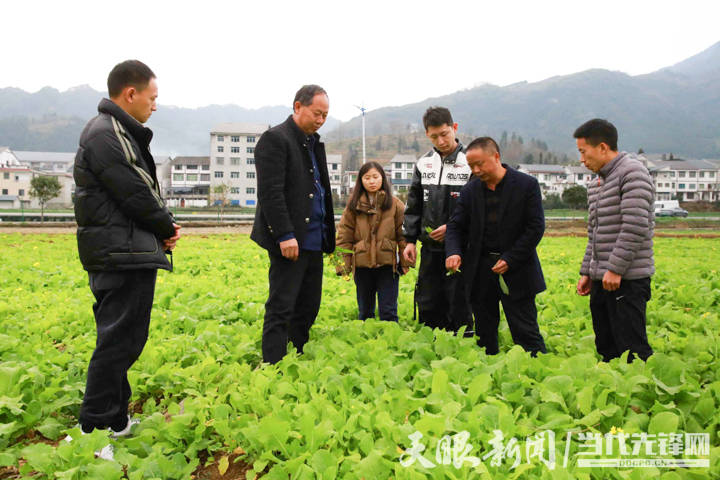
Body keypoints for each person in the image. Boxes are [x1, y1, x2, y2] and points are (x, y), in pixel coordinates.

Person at [73, 60, 181, 436]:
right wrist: (166, 226)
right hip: (120, 254)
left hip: (122, 250)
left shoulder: (115, 131)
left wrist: (159, 229)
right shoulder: (107, 133)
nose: (155, 105)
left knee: (119, 338)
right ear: (130, 94)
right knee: (119, 342)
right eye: (152, 97)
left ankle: (115, 420)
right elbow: (137, 190)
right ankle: (94, 428)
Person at [251, 85, 335, 364]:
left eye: (325, 115)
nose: (321, 119)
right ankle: (272, 362)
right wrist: (285, 234)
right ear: (298, 106)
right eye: (316, 113)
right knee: (282, 304)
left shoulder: (314, 143)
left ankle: (297, 352)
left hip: (314, 238)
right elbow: (271, 193)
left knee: (309, 305)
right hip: (291, 239)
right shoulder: (275, 139)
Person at [445, 137, 547, 355]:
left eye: (479, 164)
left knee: (525, 329)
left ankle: (536, 370)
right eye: (471, 166)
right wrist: (453, 252)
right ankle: (489, 374)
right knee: (484, 331)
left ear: (496, 157)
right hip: (481, 270)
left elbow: (535, 228)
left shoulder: (526, 185)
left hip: (517, 269)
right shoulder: (471, 191)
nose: (476, 170)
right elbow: (455, 226)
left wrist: (510, 258)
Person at [574, 119, 654, 362]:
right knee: (606, 344)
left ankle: (639, 396)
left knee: (631, 347)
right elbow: (595, 232)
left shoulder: (632, 173)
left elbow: (635, 225)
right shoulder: (597, 182)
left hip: (626, 279)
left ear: (602, 147)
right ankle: (614, 393)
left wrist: (615, 269)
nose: (581, 159)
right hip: (602, 277)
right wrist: (588, 271)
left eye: (583, 152)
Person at [402, 107, 473, 334]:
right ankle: (432, 344)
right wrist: (410, 240)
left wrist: (453, 228)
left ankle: (463, 347)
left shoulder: (470, 161)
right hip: (430, 248)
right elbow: (413, 206)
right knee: (429, 299)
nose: (441, 141)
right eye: (434, 136)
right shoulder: (424, 163)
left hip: (461, 248)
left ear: (455, 128)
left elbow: (477, 207)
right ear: (426, 135)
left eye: (445, 134)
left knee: (459, 300)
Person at [336, 162, 412, 322]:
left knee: (389, 311)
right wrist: (343, 266)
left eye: (375, 177)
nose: (372, 181)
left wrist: (405, 263)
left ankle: (392, 344)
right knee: (365, 312)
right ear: (361, 181)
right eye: (367, 177)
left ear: (382, 179)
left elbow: (403, 235)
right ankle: (366, 342)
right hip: (362, 265)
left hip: (388, 265)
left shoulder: (395, 204)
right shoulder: (352, 206)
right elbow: (344, 238)